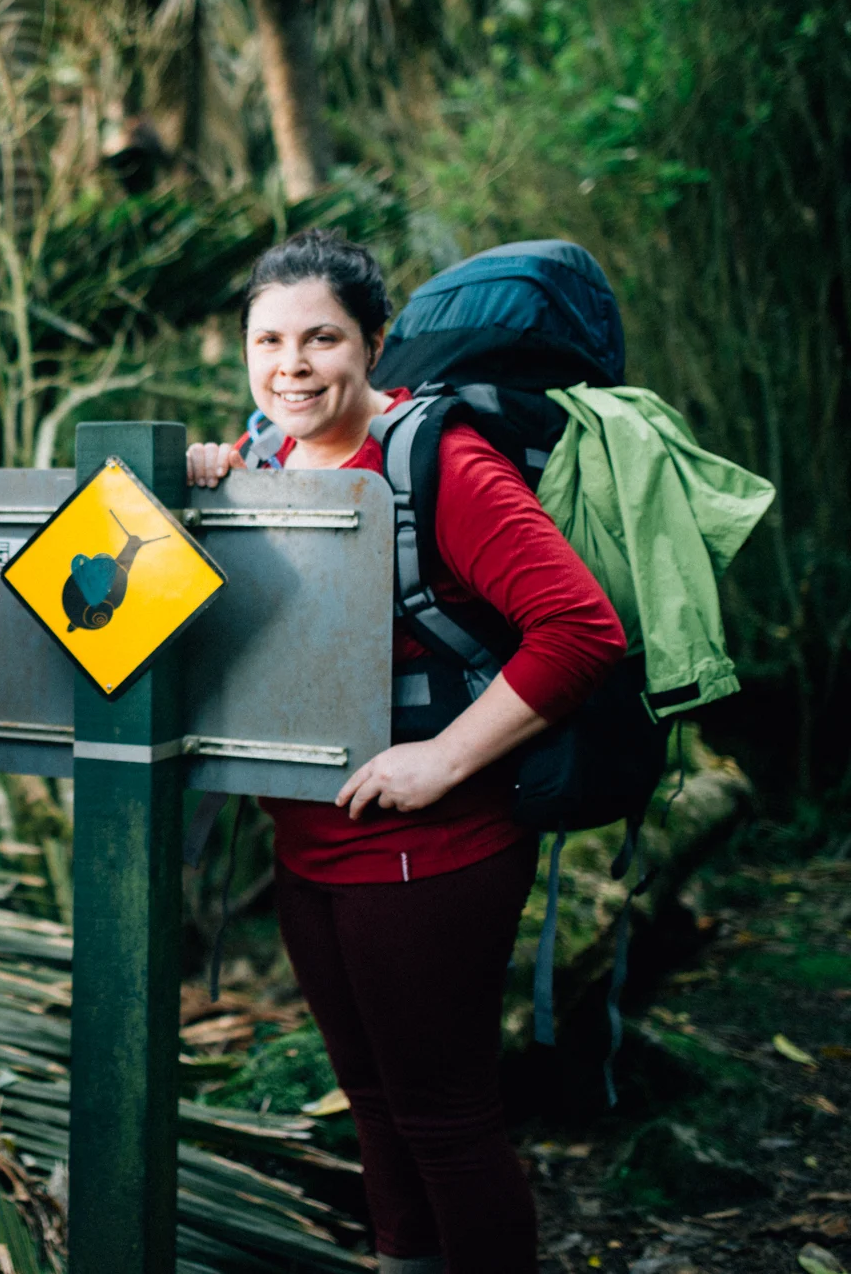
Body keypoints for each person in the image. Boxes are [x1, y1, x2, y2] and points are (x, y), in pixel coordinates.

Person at [186, 230, 626, 1274]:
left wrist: (439, 761)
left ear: (373, 343)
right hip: (308, 850)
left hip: (432, 855)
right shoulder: (263, 461)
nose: (290, 363)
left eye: (320, 337)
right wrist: (210, 484)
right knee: (378, 1110)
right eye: (267, 340)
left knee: (443, 1118)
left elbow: (579, 629)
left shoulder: (439, 459)